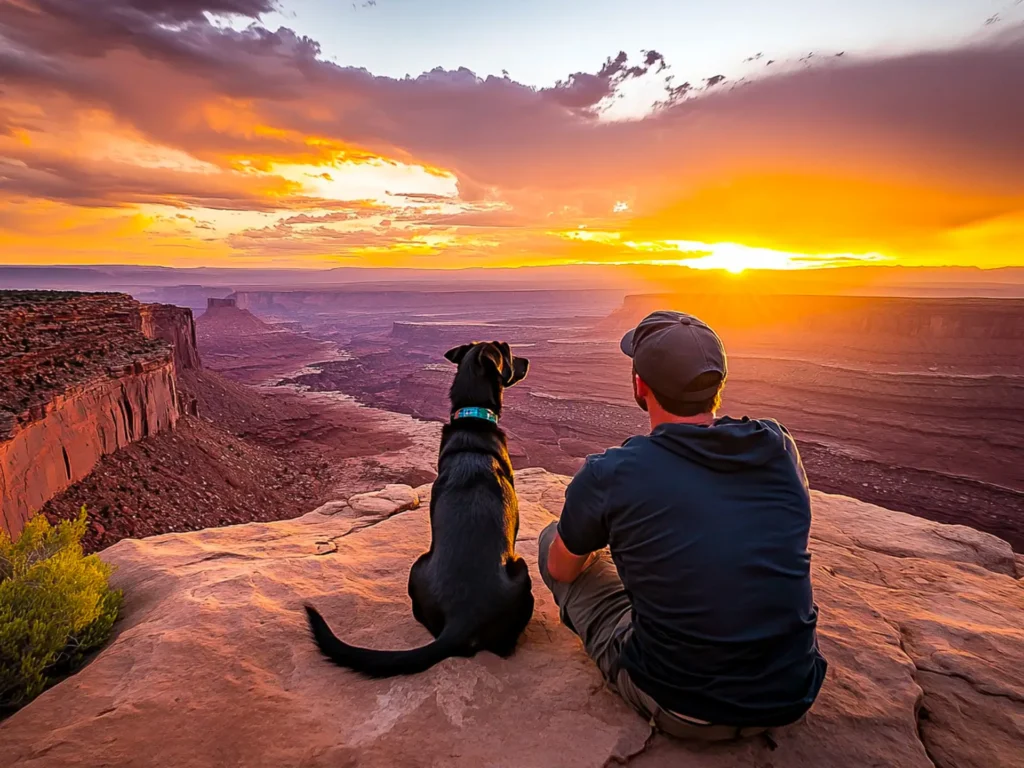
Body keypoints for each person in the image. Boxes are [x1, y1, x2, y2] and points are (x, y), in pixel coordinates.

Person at [538, 310, 827, 741]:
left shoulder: (613, 473)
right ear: (717, 386)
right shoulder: (777, 444)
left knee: (551, 543)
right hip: (792, 692)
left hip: (683, 706)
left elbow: (562, 569)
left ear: (640, 386)